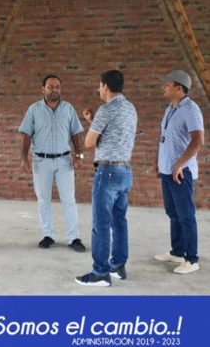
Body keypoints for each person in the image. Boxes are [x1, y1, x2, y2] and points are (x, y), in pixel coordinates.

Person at [75, 69, 137, 287]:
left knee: (100, 223)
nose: (99, 89)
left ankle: (100, 273)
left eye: (100, 85)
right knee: (119, 221)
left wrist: (93, 123)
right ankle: (118, 266)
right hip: (125, 170)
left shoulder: (106, 109)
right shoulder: (130, 108)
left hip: (107, 172)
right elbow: (114, 135)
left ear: (106, 87)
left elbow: (89, 143)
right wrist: (93, 120)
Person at [18, 74, 86, 252]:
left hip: (64, 161)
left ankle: (73, 237)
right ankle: (48, 235)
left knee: (69, 200)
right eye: (50, 87)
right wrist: (24, 157)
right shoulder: (34, 110)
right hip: (41, 162)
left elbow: (76, 133)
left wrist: (79, 155)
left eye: (57, 87)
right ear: (43, 89)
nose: (54, 90)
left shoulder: (68, 109)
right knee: (43, 200)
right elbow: (26, 134)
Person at [154, 70, 204, 274]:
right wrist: (160, 163)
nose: (163, 87)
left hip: (181, 173)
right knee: (173, 212)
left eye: (167, 84)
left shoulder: (191, 109)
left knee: (186, 215)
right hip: (167, 170)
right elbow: (165, 138)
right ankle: (177, 252)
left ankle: (191, 259)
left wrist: (179, 165)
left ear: (179, 88)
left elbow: (197, 141)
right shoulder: (170, 108)